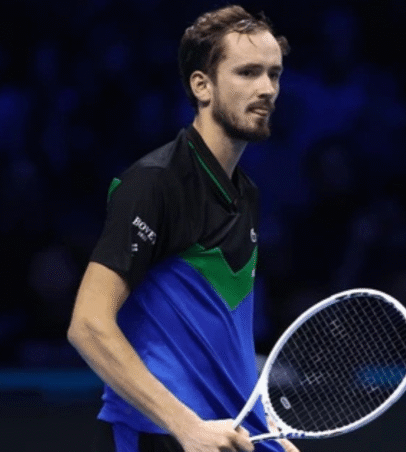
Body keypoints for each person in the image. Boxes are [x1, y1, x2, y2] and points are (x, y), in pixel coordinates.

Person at [67, 6, 298, 452]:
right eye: (248, 73)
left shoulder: (245, 192)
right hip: (161, 436)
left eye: (274, 74)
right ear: (201, 85)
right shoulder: (155, 183)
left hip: (227, 433)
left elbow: (220, 336)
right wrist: (186, 425)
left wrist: (261, 424)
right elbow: (88, 324)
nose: (267, 89)